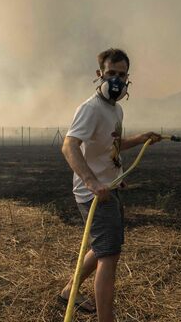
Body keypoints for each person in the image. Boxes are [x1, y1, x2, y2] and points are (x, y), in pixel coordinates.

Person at [59, 48, 161, 321]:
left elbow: (112, 145)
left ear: (128, 77)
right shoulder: (90, 109)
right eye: (111, 73)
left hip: (110, 187)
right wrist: (92, 182)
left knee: (103, 247)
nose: (116, 79)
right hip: (94, 194)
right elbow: (69, 146)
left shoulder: (116, 109)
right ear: (99, 74)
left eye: (122, 74)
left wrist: (140, 139)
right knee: (109, 256)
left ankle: (70, 290)